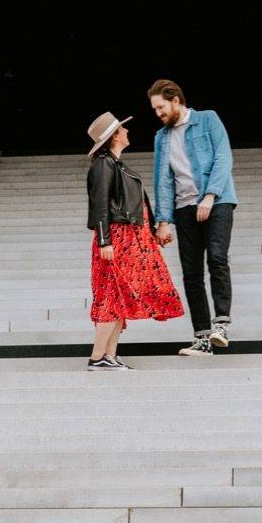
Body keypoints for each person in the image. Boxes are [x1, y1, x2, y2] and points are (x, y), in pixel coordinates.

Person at [85, 110, 183, 370]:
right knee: (110, 294)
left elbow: (136, 204)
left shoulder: (116, 164)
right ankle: (98, 356)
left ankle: (109, 355)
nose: (127, 132)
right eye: (122, 129)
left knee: (118, 297)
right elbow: (100, 205)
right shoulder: (104, 164)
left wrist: (150, 233)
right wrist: (105, 241)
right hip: (117, 237)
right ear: (115, 136)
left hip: (128, 236)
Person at [148, 79, 237, 358]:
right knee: (191, 272)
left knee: (217, 259)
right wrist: (164, 220)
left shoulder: (208, 119)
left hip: (217, 200)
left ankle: (220, 325)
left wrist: (210, 196)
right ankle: (202, 337)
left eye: (161, 107)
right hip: (185, 208)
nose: (158, 113)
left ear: (176, 100)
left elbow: (223, 157)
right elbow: (163, 180)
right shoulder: (161, 137)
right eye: (155, 109)